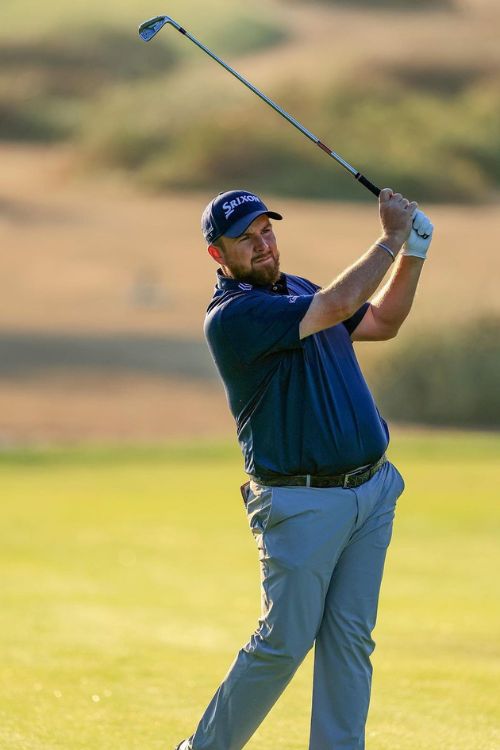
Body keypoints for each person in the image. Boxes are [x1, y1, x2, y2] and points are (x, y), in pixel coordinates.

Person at [175, 187, 434, 750]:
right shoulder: (235, 317)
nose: (263, 244)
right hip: (302, 502)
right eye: (245, 238)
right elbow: (339, 306)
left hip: (371, 491)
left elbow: (384, 321)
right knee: (283, 642)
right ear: (219, 256)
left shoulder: (298, 289)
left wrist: (414, 250)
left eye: (266, 230)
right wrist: (390, 237)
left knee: (349, 640)